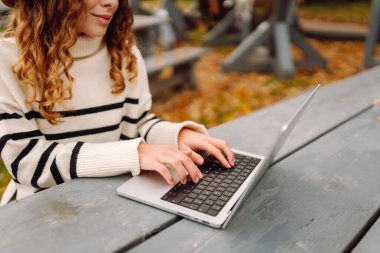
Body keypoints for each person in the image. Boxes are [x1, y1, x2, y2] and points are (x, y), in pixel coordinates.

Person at [0, 0, 235, 206]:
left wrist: (177, 136)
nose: (112, 2)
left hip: (115, 201)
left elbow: (136, 123)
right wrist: (135, 153)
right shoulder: (6, 60)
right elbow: (28, 162)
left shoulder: (124, 54)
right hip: (38, 212)